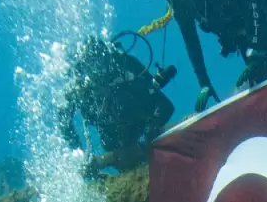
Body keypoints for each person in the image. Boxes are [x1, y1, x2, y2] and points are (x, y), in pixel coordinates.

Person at [56, 32, 178, 173]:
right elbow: (64, 121)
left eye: (103, 67)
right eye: (95, 71)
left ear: (108, 59)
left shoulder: (124, 66)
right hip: (114, 142)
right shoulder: (79, 88)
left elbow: (164, 104)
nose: (102, 75)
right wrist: (79, 155)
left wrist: (150, 130)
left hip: (141, 126)